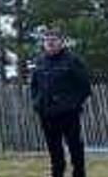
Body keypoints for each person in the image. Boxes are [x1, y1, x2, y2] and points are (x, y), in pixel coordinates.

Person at [31, 29, 92, 177]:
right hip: (47, 112)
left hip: (68, 112)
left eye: (54, 39)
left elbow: (84, 87)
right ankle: (57, 172)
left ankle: (79, 172)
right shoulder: (40, 62)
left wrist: (73, 104)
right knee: (53, 147)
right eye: (47, 40)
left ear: (61, 42)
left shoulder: (72, 60)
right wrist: (37, 103)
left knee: (74, 145)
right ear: (44, 43)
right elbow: (34, 86)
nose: (50, 42)